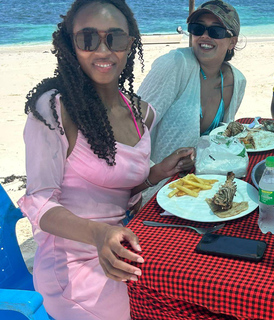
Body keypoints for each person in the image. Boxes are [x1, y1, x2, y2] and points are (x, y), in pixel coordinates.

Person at [17, 0, 193, 319]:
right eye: (88, 38)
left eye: (115, 38)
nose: (102, 50)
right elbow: (39, 202)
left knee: (189, 289)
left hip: (119, 244)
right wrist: (99, 235)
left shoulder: (142, 114)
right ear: (70, 45)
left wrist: (158, 172)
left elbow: (116, 189)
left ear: (130, 45)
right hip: (71, 265)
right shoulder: (54, 110)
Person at [138, 0, 246, 203]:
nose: (205, 36)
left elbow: (219, 141)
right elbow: (134, 126)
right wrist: (142, 184)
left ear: (233, 41)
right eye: (197, 29)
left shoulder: (237, 81)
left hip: (205, 188)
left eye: (216, 31)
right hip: (158, 188)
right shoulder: (175, 64)